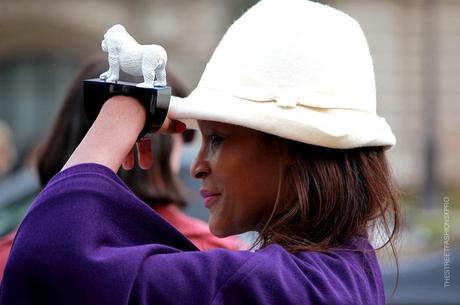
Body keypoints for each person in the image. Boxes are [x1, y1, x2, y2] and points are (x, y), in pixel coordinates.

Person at [1, 1, 400, 304]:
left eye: (218, 139)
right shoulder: (343, 269)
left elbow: (48, 259)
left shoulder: (277, 286)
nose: (196, 168)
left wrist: (120, 114)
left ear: (291, 146)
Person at [0, 57, 242, 279]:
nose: (196, 163)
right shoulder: (209, 254)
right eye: (183, 135)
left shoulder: (15, 253)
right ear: (160, 140)